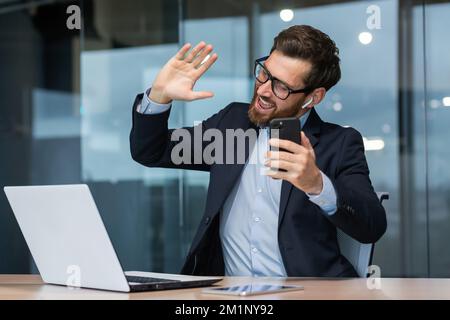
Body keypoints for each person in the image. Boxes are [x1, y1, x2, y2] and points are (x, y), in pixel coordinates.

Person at [129, 25, 386, 277]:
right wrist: (159, 96)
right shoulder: (232, 125)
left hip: (308, 294)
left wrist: (317, 185)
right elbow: (152, 151)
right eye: (264, 73)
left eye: (281, 87)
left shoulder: (338, 143)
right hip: (228, 295)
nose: (263, 90)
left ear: (313, 97)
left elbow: (371, 226)